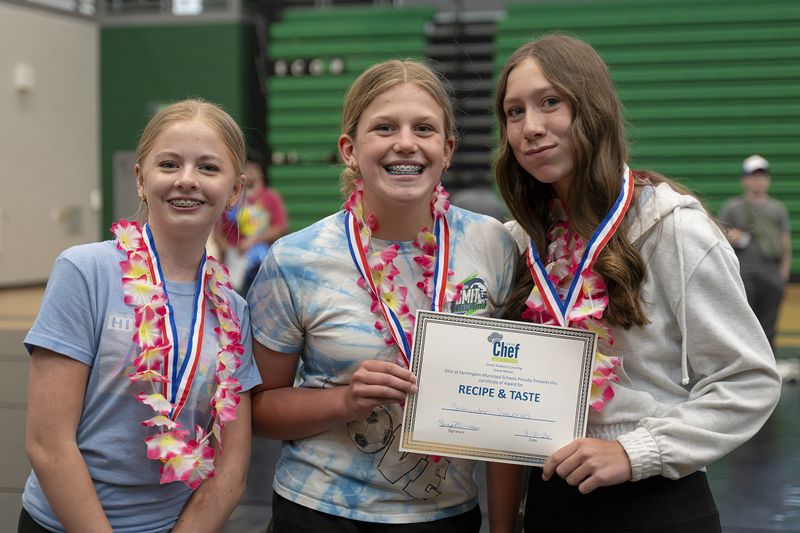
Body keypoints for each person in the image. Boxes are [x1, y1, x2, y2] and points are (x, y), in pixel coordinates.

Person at [485, 35, 781, 532]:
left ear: (592, 108)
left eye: (550, 102)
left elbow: (749, 380)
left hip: (657, 502)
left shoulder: (674, 229)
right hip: (550, 501)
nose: (530, 127)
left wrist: (635, 451)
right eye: (514, 112)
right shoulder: (519, 243)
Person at [247, 60, 517, 531]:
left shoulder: (492, 245)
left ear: (447, 150)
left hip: (448, 514)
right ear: (350, 150)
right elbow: (258, 410)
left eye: (424, 128)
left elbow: (508, 408)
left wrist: (505, 527)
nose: (406, 142)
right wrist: (345, 402)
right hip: (321, 513)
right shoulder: (296, 259)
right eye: (385, 127)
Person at [20, 99, 261, 533]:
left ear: (234, 191)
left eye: (208, 168)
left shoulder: (233, 311)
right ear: (140, 179)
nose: (187, 179)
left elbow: (230, 471)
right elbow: (48, 443)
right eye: (169, 164)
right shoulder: (86, 272)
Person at [718, 155, 791, 350]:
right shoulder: (733, 207)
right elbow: (717, 234)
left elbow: (785, 242)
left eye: (762, 176)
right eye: (753, 176)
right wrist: (731, 235)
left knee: (769, 326)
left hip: (770, 276)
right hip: (743, 275)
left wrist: (782, 276)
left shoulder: (777, 209)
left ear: (768, 180)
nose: (758, 180)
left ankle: (769, 364)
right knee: (744, 326)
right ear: (744, 180)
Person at [215, 149, 289, 297]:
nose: (250, 173)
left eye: (255, 168)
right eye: (247, 168)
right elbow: (216, 231)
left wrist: (253, 241)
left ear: (261, 173)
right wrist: (230, 251)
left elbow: (280, 228)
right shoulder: (229, 198)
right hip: (234, 267)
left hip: (264, 265)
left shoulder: (270, 198)